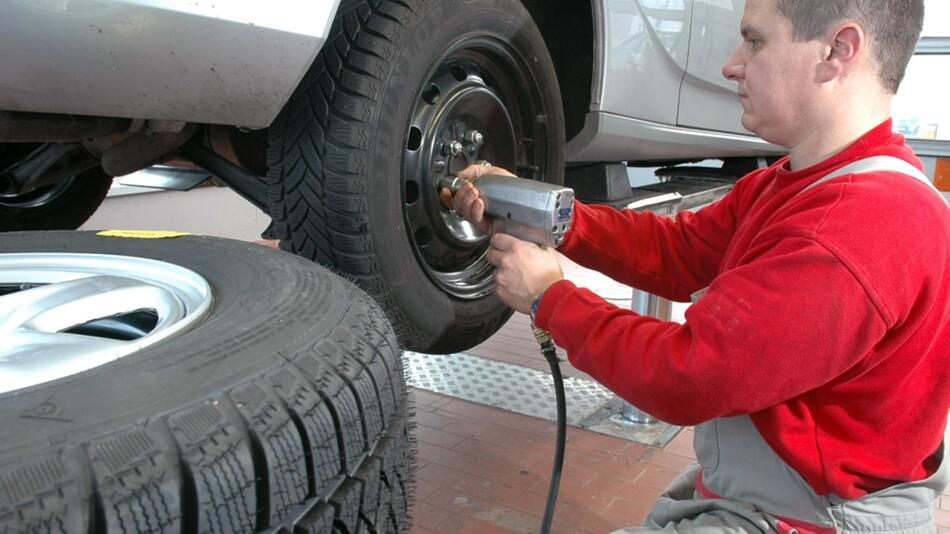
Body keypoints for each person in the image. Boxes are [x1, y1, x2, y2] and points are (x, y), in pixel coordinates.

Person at [442, 0, 949, 532]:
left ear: (837, 51)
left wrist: (552, 298)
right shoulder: (793, 184)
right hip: (768, 494)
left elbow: (690, 375)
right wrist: (547, 214)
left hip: (810, 519)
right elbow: (677, 253)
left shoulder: (858, 226)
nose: (732, 64)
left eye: (755, 41)